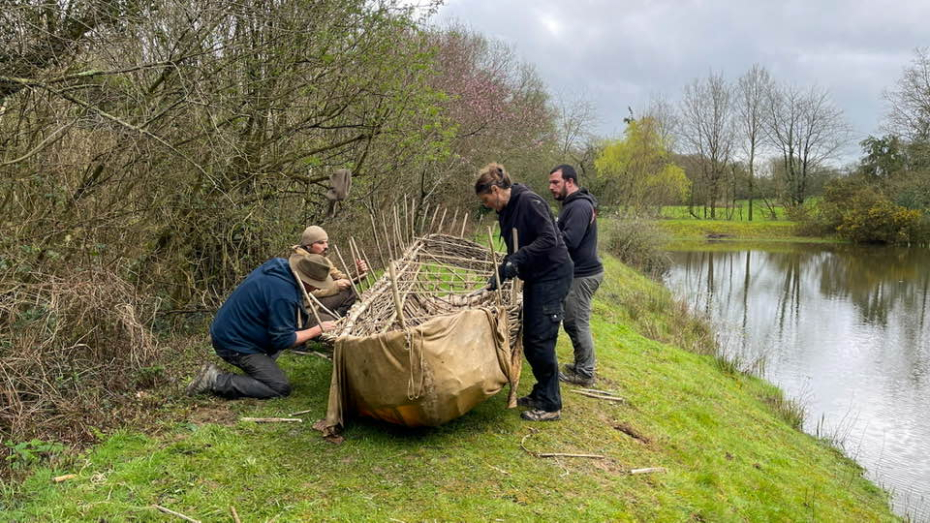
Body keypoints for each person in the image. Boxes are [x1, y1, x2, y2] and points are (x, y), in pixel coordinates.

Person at [475, 162, 573, 422]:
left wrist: (517, 260)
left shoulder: (529, 202)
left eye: (487, 199)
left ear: (495, 190)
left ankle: (551, 404)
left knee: (541, 340)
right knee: (532, 337)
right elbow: (516, 247)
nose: (487, 205)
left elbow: (548, 239)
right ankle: (542, 392)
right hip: (537, 277)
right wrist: (502, 270)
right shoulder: (507, 210)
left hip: (552, 276)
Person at [186, 250, 338, 399]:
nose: (318, 288)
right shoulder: (283, 295)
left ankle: (263, 360)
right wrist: (317, 330)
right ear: (305, 279)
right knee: (278, 386)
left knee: (312, 322)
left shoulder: (280, 267)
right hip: (233, 343)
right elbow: (284, 340)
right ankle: (215, 380)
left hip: (237, 328)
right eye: (316, 284)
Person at [548, 164, 605, 387]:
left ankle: (585, 373)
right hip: (577, 272)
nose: (551, 187)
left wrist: (548, 235)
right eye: (550, 182)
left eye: (556, 182)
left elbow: (569, 241)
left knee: (577, 322)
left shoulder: (580, 206)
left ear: (569, 182)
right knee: (571, 321)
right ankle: (580, 364)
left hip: (583, 275)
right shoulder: (571, 205)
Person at [294, 225, 369, 321]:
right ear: (308, 246)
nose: (326, 246)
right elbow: (309, 292)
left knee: (349, 293)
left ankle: (337, 319)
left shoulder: (321, 258)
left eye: (326, 242)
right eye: (321, 243)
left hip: (319, 302)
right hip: (307, 308)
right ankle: (332, 322)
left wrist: (358, 273)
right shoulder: (299, 263)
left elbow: (339, 277)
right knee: (348, 294)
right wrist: (335, 286)